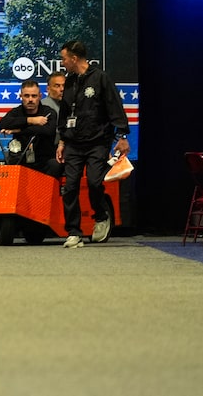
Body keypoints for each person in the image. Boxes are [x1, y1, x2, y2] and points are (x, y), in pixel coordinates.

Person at [56, 40, 129, 249]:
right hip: (73, 143)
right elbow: (65, 113)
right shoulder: (69, 81)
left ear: (74, 58)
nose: (62, 63)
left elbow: (115, 105)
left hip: (98, 142)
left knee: (95, 183)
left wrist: (122, 135)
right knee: (69, 187)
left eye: (64, 59)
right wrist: (62, 141)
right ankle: (74, 233)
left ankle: (101, 215)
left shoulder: (100, 78)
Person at [0, 80, 63, 178]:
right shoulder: (16, 112)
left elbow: (48, 131)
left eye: (34, 96)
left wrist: (19, 130)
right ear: (21, 96)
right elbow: (3, 123)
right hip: (21, 159)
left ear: (40, 96)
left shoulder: (48, 112)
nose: (30, 99)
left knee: (55, 165)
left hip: (44, 159)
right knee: (10, 163)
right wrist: (31, 120)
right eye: (27, 96)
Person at [41, 71, 65, 145]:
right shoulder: (43, 106)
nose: (62, 89)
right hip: (50, 150)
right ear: (48, 89)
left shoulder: (70, 105)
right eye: (57, 86)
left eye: (64, 85)